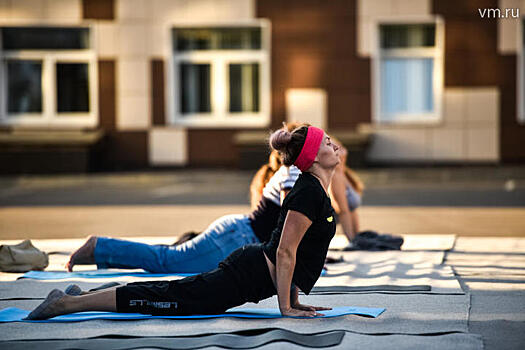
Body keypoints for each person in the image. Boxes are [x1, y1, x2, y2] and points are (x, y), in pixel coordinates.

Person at [27, 124, 340, 319]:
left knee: (170, 283)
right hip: (246, 273)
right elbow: (285, 252)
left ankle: (83, 297)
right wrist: (286, 307)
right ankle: (67, 304)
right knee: (167, 293)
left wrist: (294, 301)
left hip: (252, 269)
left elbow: (295, 250)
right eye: (327, 142)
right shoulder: (307, 193)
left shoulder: (316, 192)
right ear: (312, 157)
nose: (335, 145)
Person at [66, 125, 303, 274]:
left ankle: (103, 251)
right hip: (235, 238)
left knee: (169, 260)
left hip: (240, 237)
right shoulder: (294, 172)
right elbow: (287, 221)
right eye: (326, 143)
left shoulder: (303, 174)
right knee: (167, 261)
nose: (334, 147)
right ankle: (99, 246)